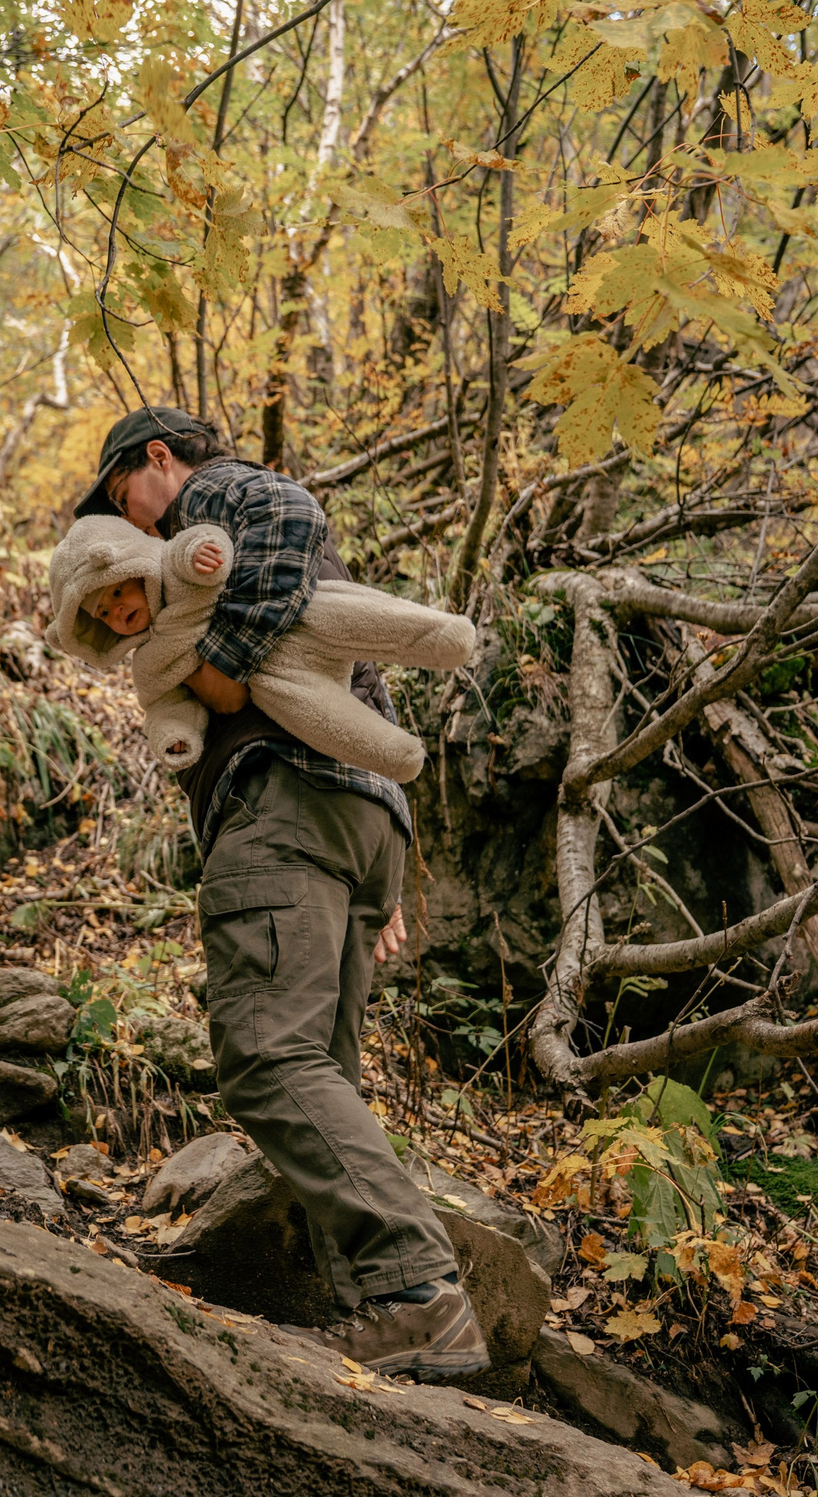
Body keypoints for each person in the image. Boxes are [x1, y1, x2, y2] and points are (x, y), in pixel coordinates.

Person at [70, 406, 489, 1380]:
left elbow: (290, 511)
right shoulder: (209, 573)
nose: (127, 522)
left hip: (286, 803)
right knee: (319, 1073)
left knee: (265, 1058)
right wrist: (374, 862)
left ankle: (415, 1290)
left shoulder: (209, 499)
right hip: (353, 816)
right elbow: (359, 690)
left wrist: (219, 667)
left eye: (119, 496)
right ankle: (391, 1319)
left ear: (157, 461)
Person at [44, 512, 476, 779]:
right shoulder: (151, 663)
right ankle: (397, 756)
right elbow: (165, 706)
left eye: (117, 593)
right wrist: (176, 736)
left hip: (293, 618)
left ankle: (445, 636)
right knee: (313, 712)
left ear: (135, 568)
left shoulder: (172, 572)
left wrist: (204, 552)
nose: (117, 612)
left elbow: (194, 543)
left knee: (350, 613)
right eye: (103, 614)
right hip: (273, 678)